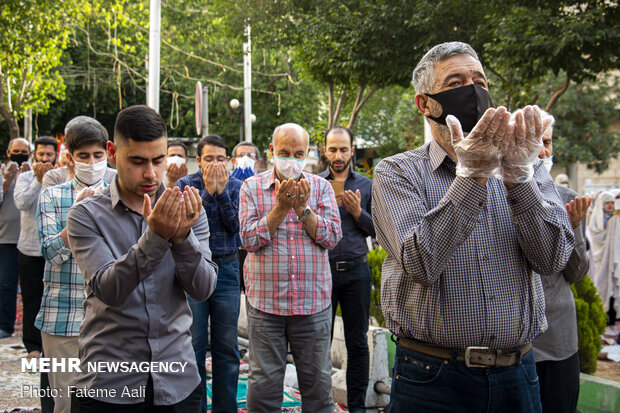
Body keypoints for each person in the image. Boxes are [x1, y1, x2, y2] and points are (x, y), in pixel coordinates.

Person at [372, 41, 574, 413]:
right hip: (433, 377)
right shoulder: (397, 172)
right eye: (455, 82)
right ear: (425, 103)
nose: (473, 90)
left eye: (479, 80)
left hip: (518, 373)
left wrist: (519, 179)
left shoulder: (525, 164)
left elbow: (553, 258)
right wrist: (472, 176)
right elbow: (420, 261)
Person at [66, 105, 217, 412]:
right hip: (108, 384)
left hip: (177, 380)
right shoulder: (86, 215)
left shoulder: (188, 209)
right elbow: (109, 290)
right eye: (137, 161)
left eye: (158, 160)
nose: (150, 173)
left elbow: (203, 288)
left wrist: (181, 238)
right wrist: (157, 237)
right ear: (112, 152)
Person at [240, 123, 342, 413]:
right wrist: (281, 208)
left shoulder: (321, 188)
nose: (291, 159)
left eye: (298, 153)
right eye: (284, 152)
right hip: (266, 306)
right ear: (271, 151)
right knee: (263, 384)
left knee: (318, 384)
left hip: (313, 306)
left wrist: (302, 209)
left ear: (308, 153)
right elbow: (248, 239)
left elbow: (332, 237)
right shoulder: (252, 187)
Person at [36, 117, 111, 413]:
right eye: (83, 156)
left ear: (108, 153)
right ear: (69, 158)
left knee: (109, 401)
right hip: (63, 315)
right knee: (67, 403)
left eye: (97, 156)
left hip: (110, 319)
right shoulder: (53, 196)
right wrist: (78, 216)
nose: (91, 163)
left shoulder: (119, 193)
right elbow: (51, 253)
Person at [176, 134, 243, 413]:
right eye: (208, 159)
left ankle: (225, 409)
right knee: (193, 344)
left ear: (227, 160)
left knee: (227, 346)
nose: (215, 164)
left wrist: (222, 193)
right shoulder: (185, 185)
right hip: (194, 268)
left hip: (227, 267)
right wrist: (207, 194)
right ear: (199, 161)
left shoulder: (239, 186)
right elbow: (184, 225)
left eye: (220, 158)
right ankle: (196, 407)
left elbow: (236, 227)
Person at [533, 118, 591, 413]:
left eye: (548, 142)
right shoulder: (496, 197)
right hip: (513, 346)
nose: (544, 152)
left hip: (558, 340)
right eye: (536, 142)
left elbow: (578, 273)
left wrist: (571, 229)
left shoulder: (568, 200)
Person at [318, 126, 374, 412]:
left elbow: (378, 229)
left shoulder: (366, 185)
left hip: (356, 272)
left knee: (357, 343)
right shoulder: (315, 184)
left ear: (352, 150)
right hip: (322, 272)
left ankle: (357, 407)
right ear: (325, 150)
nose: (338, 155)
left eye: (343, 149)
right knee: (319, 343)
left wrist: (357, 211)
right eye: (332, 149)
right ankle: (321, 404)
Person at [14, 136, 58, 412]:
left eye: (48, 155)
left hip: (51, 250)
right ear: (34, 155)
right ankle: (33, 344)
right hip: (29, 248)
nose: (44, 160)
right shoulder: (25, 176)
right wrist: (37, 180)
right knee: (31, 298)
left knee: (49, 298)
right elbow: (22, 202)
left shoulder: (61, 176)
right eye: (40, 155)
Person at [0, 137, 31, 339]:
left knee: (31, 287)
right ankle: (5, 325)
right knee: (6, 284)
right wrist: (6, 182)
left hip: (29, 239)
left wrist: (31, 179)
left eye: (24, 151)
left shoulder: (35, 173)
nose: (20, 155)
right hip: (6, 238)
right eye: (16, 151)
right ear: (8, 152)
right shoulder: (2, 172)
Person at [230, 141, 261, 292]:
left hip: (254, 252)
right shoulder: (226, 184)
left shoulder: (264, 185)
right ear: (233, 161)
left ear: (258, 161)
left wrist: (253, 187)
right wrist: (234, 187)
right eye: (241, 155)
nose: (246, 159)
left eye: (251, 156)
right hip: (232, 252)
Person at [589, 190, 617, 316]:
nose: (610, 205)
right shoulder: (597, 220)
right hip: (599, 258)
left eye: (612, 202)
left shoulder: (615, 219)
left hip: (613, 256)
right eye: (607, 203)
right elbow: (597, 235)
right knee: (600, 283)